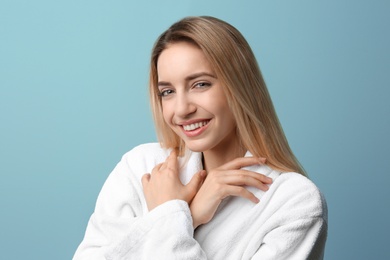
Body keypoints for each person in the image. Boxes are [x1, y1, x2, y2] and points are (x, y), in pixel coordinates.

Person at [73, 16, 327, 259]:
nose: (182, 109)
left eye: (200, 84)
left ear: (240, 86)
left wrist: (166, 216)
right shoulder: (141, 167)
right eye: (168, 91)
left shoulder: (294, 202)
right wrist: (184, 215)